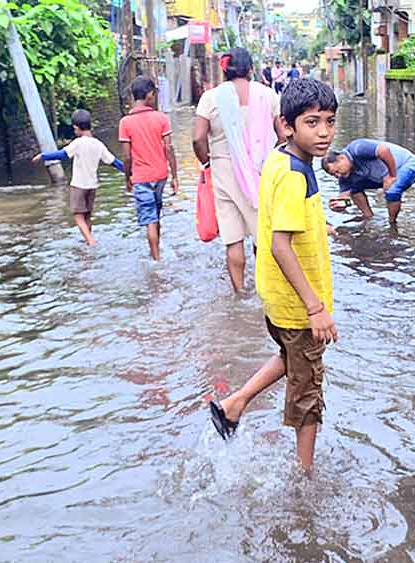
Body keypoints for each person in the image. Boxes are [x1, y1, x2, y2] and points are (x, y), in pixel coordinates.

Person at [209, 79, 339, 474]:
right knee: (307, 393)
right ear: (287, 126)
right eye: (312, 122)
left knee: (290, 358)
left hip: (277, 299)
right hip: (299, 306)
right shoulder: (295, 173)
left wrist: (319, 225)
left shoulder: (280, 160)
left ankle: (234, 405)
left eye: (330, 122)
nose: (323, 132)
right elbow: (281, 244)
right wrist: (315, 309)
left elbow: (284, 220)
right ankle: (305, 479)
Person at [193, 48, 283, 293]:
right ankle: (265, 290)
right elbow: (283, 135)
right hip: (261, 171)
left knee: (233, 239)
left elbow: (198, 139)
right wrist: (270, 159)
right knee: (261, 233)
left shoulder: (210, 98)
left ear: (224, 70)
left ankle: (240, 293)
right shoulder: (268, 95)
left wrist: (207, 162)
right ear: (251, 69)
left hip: (223, 170)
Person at [32, 109, 124, 246]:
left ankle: (91, 242)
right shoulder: (99, 144)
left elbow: (62, 155)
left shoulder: (78, 143)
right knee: (87, 216)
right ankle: (87, 242)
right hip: (92, 186)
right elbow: (115, 162)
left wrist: (43, 156)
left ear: (76, 128)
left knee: (78, 216)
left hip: (79, 185)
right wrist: (130, 172)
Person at [119, 77, 179, 260]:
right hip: (160, 175)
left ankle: (156, 260)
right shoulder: (161, 118)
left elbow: (127, 156)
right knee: (156, 214)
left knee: (149, 218)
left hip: (141, 177)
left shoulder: (125, 123)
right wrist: (175, 176)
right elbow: (168, 148)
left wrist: (127, 177)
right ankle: (157, 249)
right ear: (150, 95)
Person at [322, 139, 415, 224]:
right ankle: (368, 216)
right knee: (354, 190)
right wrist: (341, 205)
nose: (338, 176)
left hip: (405, 165)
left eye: (337, 171)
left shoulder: (357, 148)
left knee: (392, 191)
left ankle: (392, 223)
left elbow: (383, 150)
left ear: (341, 158)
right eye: (334, 175)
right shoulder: (344, 177)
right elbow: (345, 197)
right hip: (381, 176)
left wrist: (392, 175)